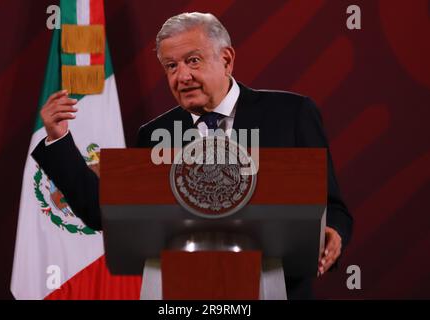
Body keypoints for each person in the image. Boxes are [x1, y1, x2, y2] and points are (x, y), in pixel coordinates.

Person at [32, 12, 353, 299]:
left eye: (193, 60)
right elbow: (103, 213)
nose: (181, 76)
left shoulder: (291, 114)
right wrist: (59, 140)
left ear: (226, 60)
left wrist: (334, 233)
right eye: (171, 66)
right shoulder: (154, 134)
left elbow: (332, 204)